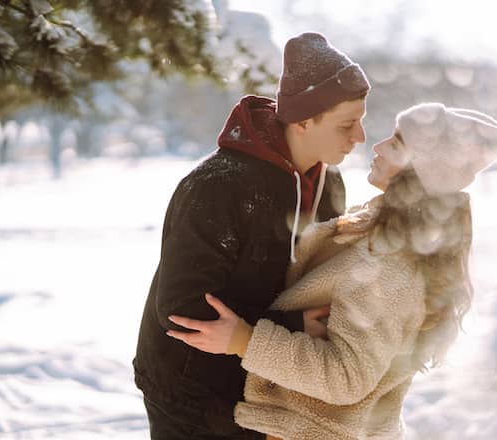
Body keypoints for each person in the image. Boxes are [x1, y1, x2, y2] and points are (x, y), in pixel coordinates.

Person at [167, 102, 497, 439]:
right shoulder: (378, 231)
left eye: (395, 144)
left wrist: (245, 340)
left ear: (419, 171)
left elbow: (347, 378)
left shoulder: (392, 267)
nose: (376, 146)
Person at [133, 32, 370, 440]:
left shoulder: (330, 183)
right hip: (190, 396)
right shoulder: (219, 186)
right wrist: (291, 326)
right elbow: (182, 310)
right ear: (302, 120)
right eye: (347, 124)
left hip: (266, 388)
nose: (360, 137)